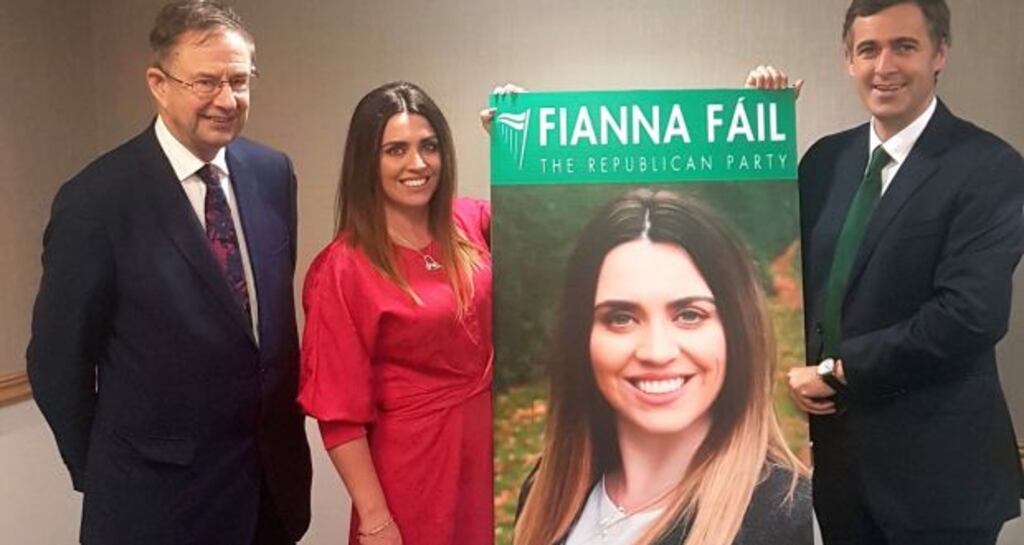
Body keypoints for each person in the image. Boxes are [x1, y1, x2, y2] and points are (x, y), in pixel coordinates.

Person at [25, 2, 312, 544]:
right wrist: (111, 469)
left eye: (239, 80)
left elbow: (260, 330)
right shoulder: (97, 201)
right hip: (153, 510)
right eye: (206, 82)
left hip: (269, 497)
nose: (227, 100)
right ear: (158, 83)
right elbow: (55, 360)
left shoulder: (272, 174)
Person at [752, 1, 1024, 544]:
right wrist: (759, 131)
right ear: (848, 60)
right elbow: (773, 268)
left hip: (941, 478)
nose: (885, 67)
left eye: (905, 46)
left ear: (940, 53)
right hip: (841, 470)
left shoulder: (990, 167)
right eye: (868, 49)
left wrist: (835, 371)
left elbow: (969, 316)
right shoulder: (825, 161)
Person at [514, 189, 811, 545]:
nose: (657, 351)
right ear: (582, 337)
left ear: (737, 331)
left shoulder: (787, 518)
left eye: (689, 315)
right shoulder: (544, 491)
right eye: (621, 318)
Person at [298, 81, 492, 545]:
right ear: (368, 161)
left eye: (429, 146)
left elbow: (550, 227)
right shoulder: (342, 269)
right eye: (396, 150)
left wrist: (516, 145)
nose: (418, 164)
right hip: (413, 468)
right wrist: (376, 518)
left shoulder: (470, 222)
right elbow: (340, 416)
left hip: (491, 453)